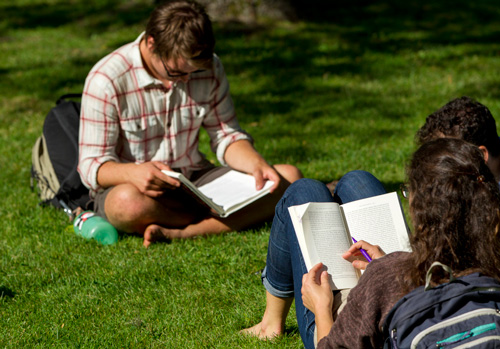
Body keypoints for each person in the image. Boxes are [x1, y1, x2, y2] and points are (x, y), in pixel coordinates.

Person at [77, 0, 302, 246]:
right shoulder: (106, 79)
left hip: (195, 179)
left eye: (193, 73)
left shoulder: (209, 66)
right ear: (151, 43)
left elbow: (226, 135)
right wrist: (134, 173)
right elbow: (91, 166)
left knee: (288, 178)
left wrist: (256, 164)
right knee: (125, 204)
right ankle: (214, 216)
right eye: (175, 72)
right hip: (139, 190)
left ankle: (185, 231)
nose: (184, 79)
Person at [242, 138, 500, 348]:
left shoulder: (384, 277)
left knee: (304, 191)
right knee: (358, 181)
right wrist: (391, 262)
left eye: (408, 192)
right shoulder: (493, 262)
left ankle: (270, 323)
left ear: (421, 210)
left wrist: (320, 308)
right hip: (393, 295)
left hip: (341, 324)